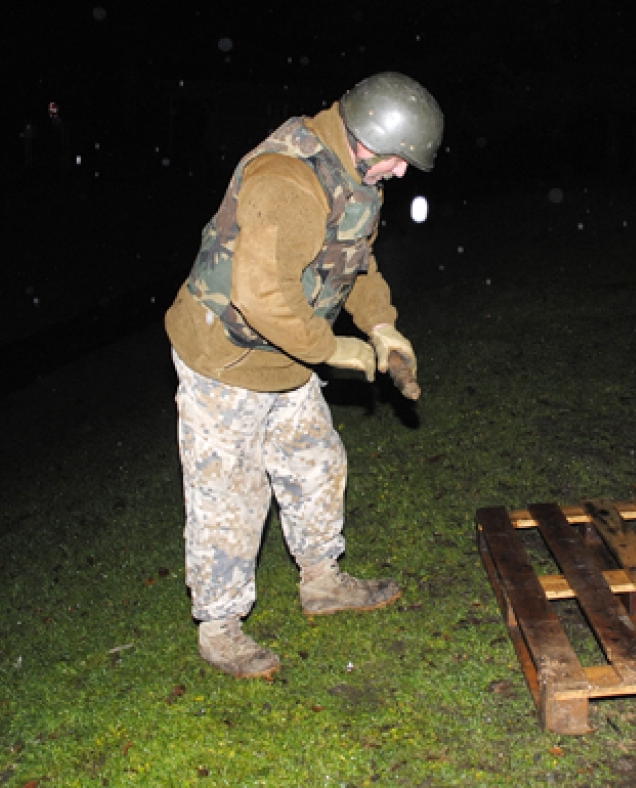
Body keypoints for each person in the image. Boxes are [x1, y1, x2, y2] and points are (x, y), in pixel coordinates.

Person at [164, 72, 444, 679]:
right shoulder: (288, 180)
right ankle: (220, 629)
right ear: (370, 137)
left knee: (316, 459)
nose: (400, 174)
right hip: (225, 356)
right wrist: (332, 350)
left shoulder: (358, 175)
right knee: (229, 497)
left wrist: (381, 327)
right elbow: (260, 296)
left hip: (285, 353)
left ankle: (322, 582)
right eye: (398, 161)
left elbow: (355, 264)